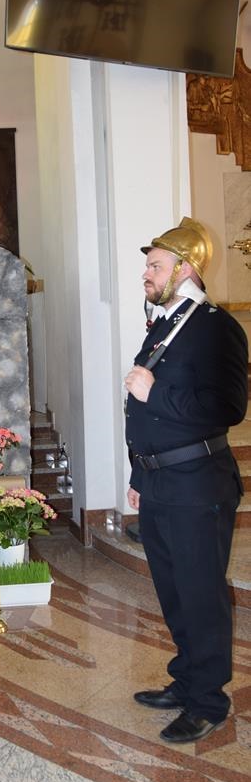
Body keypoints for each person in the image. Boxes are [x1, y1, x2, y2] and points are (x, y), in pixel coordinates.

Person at [124, 217, 248, 744]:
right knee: (174, 593)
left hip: (198, 485)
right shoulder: (167, 322)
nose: (146, 274)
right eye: (148, 266)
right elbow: (143, 414)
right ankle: (187, 679)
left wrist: (156, 392)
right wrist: (139, 473)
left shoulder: (216, 327)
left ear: (185, 268)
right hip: (160, 483)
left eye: (155, 265)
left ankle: (208, 701)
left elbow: (228, 407)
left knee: (200, 595)